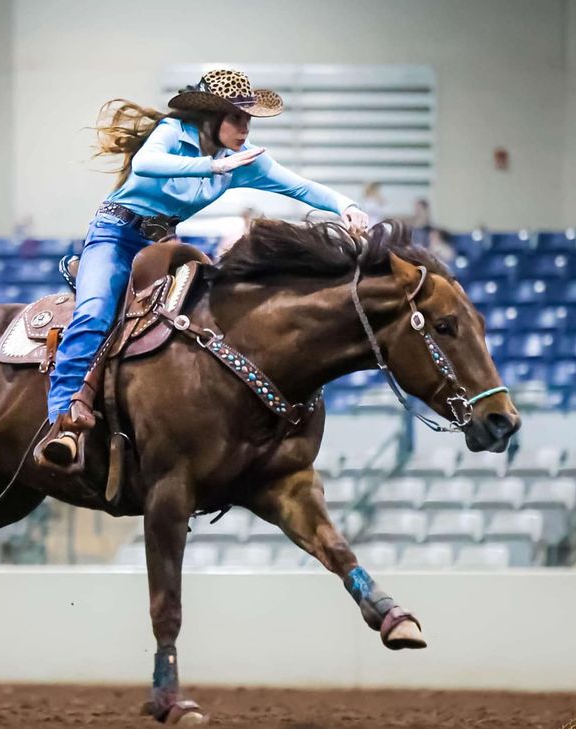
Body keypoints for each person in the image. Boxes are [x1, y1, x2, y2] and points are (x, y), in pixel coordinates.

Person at [34, 69, 370, 471]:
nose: (245, 128)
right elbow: (146, 166)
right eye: (236, 118)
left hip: (162, 244)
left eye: (248, 120)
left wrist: (346, 205)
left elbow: (298, 186)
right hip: (116, 236)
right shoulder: (172, 132)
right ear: (211, 119)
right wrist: (211, 169)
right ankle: (61, 420)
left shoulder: (241, 160)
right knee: (94, 312)